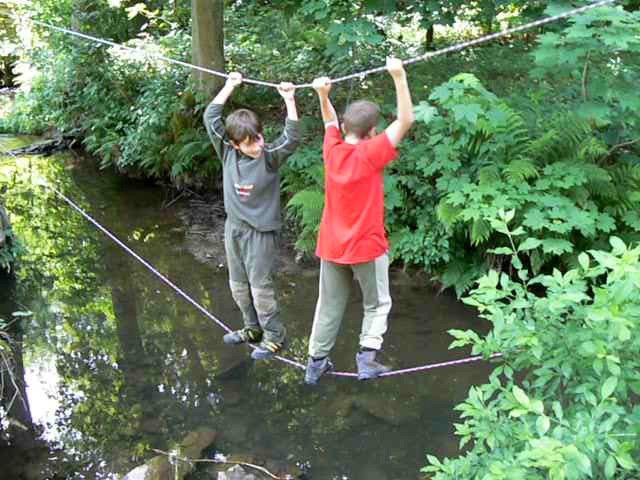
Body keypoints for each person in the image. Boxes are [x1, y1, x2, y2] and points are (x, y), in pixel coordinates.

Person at [305, 58, 415, 383]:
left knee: (328, 304)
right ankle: (367, 358)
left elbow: (329, 123)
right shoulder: (372, 152)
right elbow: (407, 119)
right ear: (371, 132)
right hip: (366, 247)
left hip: (332, 246)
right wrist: (399, 76)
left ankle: (315, 364)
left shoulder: (333, 149)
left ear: (346, 129)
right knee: (378, 303)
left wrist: (322, 95)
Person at [203, 72, 300, 360]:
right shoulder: (227, 152)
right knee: (238, 287)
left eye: (258, 138)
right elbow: (211, 116)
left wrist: (290, 99)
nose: (256, 146)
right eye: (248, 143)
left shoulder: (269, 156)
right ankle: (251, 328)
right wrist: (229, 86)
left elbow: (292, 137)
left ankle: (274, 337)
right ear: (234, 144)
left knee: (261, 289)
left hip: (261, 233)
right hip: (234, 230)